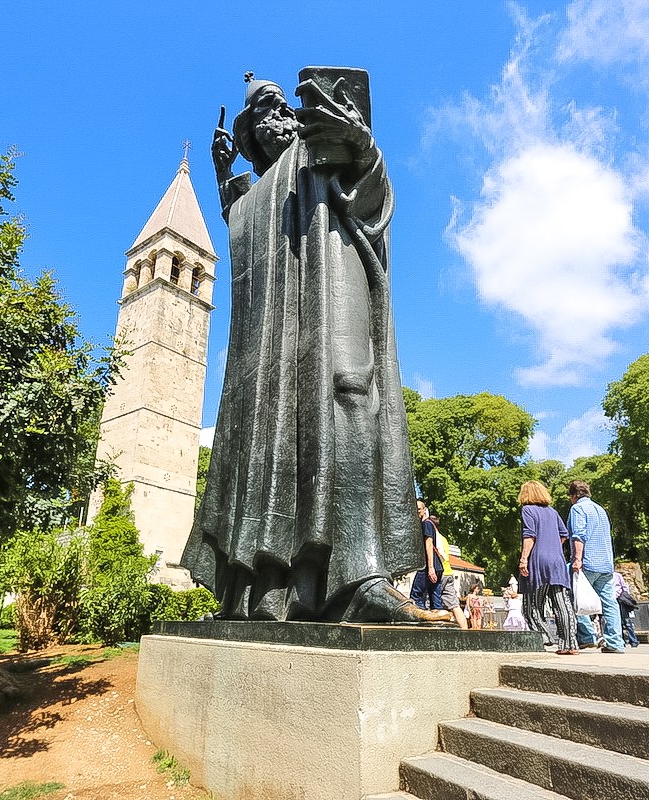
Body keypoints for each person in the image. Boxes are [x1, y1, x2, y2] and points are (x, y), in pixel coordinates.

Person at [182, 71, 451, 624]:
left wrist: (361, 145)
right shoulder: (255, 195)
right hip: (275, 334)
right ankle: (268, 587)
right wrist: (223, 179)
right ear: (251, 135)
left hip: (333, 269)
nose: (279, 117)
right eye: (265, 113)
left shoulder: (316, 150)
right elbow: (239, 226)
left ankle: (362, 575)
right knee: (266, 432)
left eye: (283, 107)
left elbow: (370, 187)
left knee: (354, 390)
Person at [517, 480, 578, 654]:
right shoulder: (552, 512)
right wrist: (553, 546)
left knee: (531, 605)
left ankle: (545, 636)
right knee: (562, 603)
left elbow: (529, 536)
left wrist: (523, 559)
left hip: (537, 561)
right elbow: (564, 534)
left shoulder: (527, 510)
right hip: (557, 560)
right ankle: (569, 644)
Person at [566, 480, 624, 653]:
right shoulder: (600, 509)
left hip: (588, 561)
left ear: (574, 496)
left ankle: (587, 636)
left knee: (574, 597)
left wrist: (577, 558)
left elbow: (579, 535)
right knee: (610, 603)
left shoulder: (577, 508)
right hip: (606, 563)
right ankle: (615, 642)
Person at [429, 513, 470, 630]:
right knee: (455, 605)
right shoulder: (443, 539)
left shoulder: (432, 538)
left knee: (431, 604)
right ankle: (465, 633)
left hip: (439, 574)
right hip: (448, 572)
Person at [410, 500, 443, 610]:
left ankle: (421, 623)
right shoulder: (431, 524)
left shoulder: (426, 524)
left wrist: (430, 568)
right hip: (438, 566)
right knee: (435, 599)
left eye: (419, 510)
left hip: (428, 566)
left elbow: (429, 545)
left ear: (424, 510)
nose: (417, 512)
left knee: (416, 596)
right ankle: (438, 623)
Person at [612, 571, 640, 647]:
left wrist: (626, 598)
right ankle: (621, 641)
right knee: (617, 622)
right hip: (612, 601)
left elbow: (624, 587)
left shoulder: (617, 575)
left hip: (620, 600)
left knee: (627, 622)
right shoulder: (605, 576)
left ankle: (633, 641)